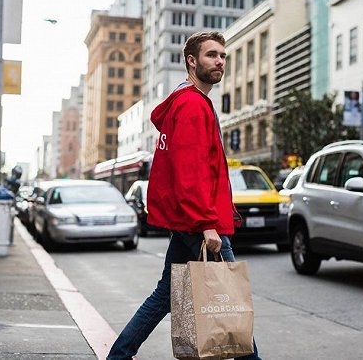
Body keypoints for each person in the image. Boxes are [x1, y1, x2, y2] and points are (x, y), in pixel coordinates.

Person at [107, 31, 261, 360]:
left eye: (222, 55)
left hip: (190, 220)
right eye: (211, 55)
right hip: (202, 222)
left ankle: (119, 355)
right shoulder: (192, 105)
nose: (219, 61)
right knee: (232, 301)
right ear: (192, 61)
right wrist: (207, 224)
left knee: (165, 294)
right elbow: (190, 172)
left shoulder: (187, 101)